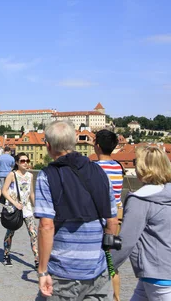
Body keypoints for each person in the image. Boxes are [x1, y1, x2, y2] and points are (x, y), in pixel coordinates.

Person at [34, 120, 118, 300]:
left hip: (63, 272)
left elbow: (46, 226)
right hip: (97, 272)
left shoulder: (47, 175)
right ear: (74, 143)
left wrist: (42, 271)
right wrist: (104, 256)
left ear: (48, 146)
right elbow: (112, 221)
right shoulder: (99, 172)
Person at [111, 146, 171, 301]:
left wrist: (107, 265)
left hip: (157, 270)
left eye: (136, 162)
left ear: (143, 167)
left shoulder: (140, 199)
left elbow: (126, 241)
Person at [94, 129, 124, 301]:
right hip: (116, 218)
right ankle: (116, 297)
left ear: (97, 146)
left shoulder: (94, 168)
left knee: (99, 260)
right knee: (111, 261)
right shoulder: (118, 167)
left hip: (100, 220)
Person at [1, 152, 38, 267]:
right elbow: (4, 191)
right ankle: (6, 255)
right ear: (17, 162)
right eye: (22, 161)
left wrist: (36, 206)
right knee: (10, 233)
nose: (25, 163)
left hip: (27, 209)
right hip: (14, 209)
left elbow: (31, 192)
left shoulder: (30, 176)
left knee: (33, 234)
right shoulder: (12, 175)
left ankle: (37, 260)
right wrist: (15, 203)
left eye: (27, 161)